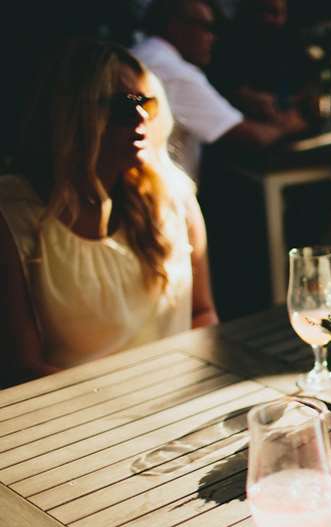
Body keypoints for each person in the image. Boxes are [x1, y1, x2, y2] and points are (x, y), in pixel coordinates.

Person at [0, 39, 218, 387]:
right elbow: (23, 369)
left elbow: (202, 312)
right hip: (76, 423)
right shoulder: (14, 216)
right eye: (120, 105)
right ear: (69, 115)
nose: (140, 116)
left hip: (176, 404)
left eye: (144, 101)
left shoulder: (174, 197)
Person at [133, 0, 307, 182]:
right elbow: (249, 136)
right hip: (155, 193)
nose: (212, 38)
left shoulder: (148, 54)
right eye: (206, 27)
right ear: (175, 26)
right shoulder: (171, 69)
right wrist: (290, 125)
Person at [207, 0, 318, 123]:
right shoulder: (230, 45)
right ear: (252, 12)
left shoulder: (288, 39)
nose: (279, 20)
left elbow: (309, 81)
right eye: (271, 13)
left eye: (283, 13)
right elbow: (236, 92)